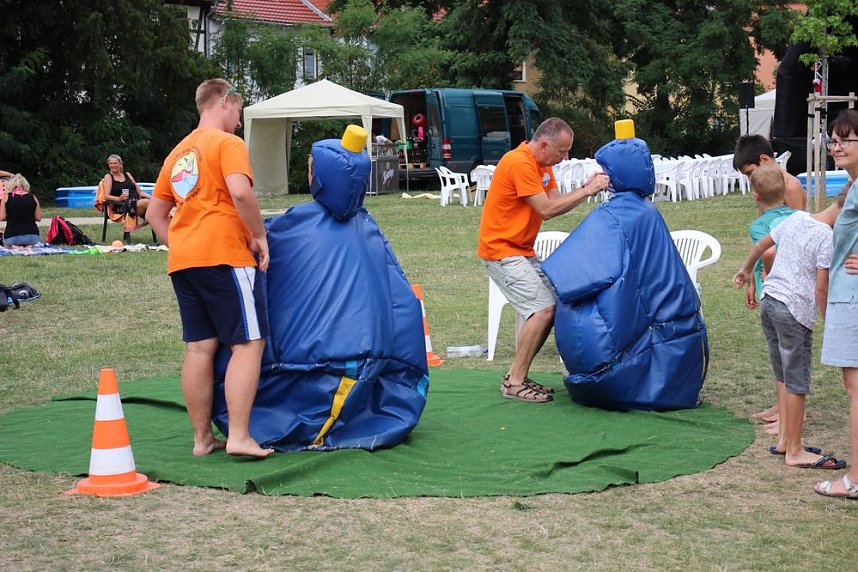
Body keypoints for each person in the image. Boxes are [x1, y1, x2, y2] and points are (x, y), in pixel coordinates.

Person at [146, 79, 274, 459]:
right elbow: (239, 191)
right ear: (224, 102)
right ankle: (238, 436)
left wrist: (182, 243)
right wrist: (259, 235)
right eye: (239, 110)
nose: (239, 119)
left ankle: (203, 439)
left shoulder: (177, 153)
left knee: (199, 349)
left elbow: (155, 213)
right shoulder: (228, 144)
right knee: (249, 343)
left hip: (184, 262)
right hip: (225, 256)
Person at [477, 117, 610, 403]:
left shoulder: (543, 164)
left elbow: (557, 201)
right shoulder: (520, 163)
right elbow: (547, 210)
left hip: (521, 250)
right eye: (562, 151)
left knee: (551, 305)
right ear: (545, 144)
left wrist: (584, 188)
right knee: (543, 310)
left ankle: (518, 376)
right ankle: (514, 381)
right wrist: (587, 191)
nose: (566, 157)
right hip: (501, 250)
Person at [734, 164, 847, 470]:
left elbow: (761, 245)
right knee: (797, 381)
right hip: (793, 311)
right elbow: (821, 288)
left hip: (771, 302)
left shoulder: (796, 217)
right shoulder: (826, 236)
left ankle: (785, 439)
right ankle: (795, 451)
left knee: (783, 374)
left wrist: (746, 270)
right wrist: (830, 322)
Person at [814, 109, 858, 499]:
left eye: (846, 138)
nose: (836, 145)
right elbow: (818, 224)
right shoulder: (851, 188)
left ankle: (855, 480)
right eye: (833, 139)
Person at [746, 166, 796, 430]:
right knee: (786, 359)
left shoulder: (760, 225)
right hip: (794, 298)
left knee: (782, 362)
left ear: (755, 195)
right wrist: (753, 282)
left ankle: (787, 420)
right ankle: (782, 412)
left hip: (776, 298)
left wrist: (769, 273)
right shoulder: (799, 217)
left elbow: (767, 252)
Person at [733, 135, 806, 211]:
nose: (750, 179)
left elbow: (797, 221)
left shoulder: (790, 187)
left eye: (750, 172)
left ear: (765, 159)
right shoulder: (766, 186)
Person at [101, 154, 151, 221]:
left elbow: (140, 192)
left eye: (115, 163)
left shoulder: (127, 174)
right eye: (111, 164)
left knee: (156, 204)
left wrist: (154, 198)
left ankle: (160, 226)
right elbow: (106, 196)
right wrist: (119, 198)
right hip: (123, 205)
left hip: (137, 200)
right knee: (148, 203)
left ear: (120, 163)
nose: (113, 165)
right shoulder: (108, 177)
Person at [0, 173, 42, 248]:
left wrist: (13, 216)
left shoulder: (6, 197)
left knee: (6, 243)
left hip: (12, 236)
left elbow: (2, 217)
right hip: (33, 236)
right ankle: (29, 245)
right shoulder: (33, 197)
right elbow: (38, 218)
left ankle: (15, 246)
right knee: (31, 241)